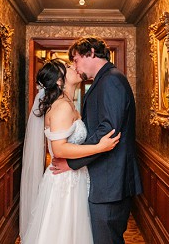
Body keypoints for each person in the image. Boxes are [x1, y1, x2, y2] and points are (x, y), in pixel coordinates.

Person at [51, 37, 143, 244]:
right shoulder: (104, 80)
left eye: (75, 60)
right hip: (105, 180)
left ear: (91, 52)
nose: (75, 66)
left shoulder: (111, 80)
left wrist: (71, 162)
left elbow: (108, 131)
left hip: (111, 182)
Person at [20, 59, 120, 244]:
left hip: (74, 177)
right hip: (64, 183)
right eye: (67, 67)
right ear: (59, 81)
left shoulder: (69, 104)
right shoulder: (62, 107)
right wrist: (100, 147)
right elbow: (59, 149)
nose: (73, 66)